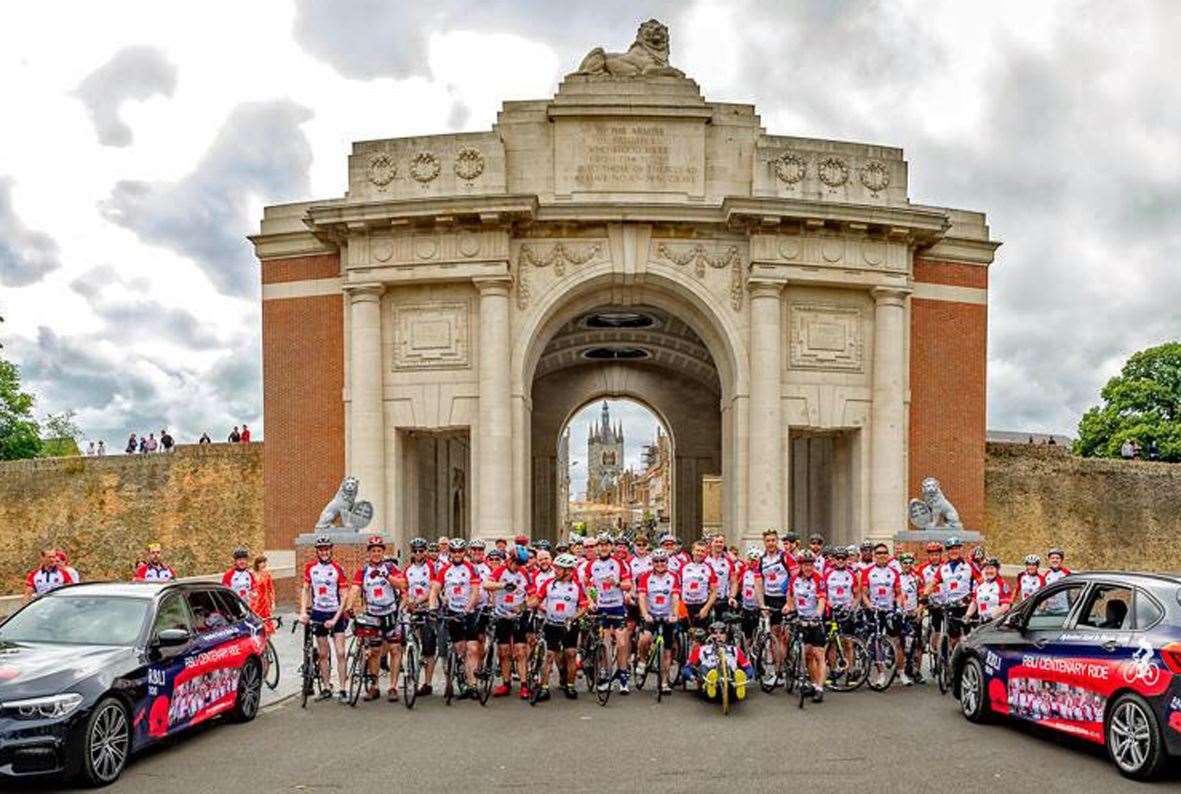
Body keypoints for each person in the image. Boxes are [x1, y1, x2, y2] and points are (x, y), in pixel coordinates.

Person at [349, 535, 406, 702]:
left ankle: (393, 686)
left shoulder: (390, 567)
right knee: (374, 651)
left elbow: (402, 584)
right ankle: (374, 687)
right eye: (373, 551)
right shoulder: (363, 571)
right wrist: (349, 606)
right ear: (369, 553)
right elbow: (354, 590)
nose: (376, 553)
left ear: (383, 552)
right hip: (373, 614)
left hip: (390, 613)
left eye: (379, 551)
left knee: (395, 649)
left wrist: (386, 575)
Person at [299, 535, 351, 702]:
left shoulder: (337, 568)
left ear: (331, 550)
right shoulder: (310, 568)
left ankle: (343, 689)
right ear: (317, 551)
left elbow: (344, 596)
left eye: (327, 549)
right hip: (319, 612)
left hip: (335, 612)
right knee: (322, 654)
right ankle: (327, 687)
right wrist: (303, 612)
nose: (324, 552)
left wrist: (335, 619)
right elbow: (305, 590)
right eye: (321, 549)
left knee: (341, 652)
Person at [529, 553, 588, 701]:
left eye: (558, 568)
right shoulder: (549, 583)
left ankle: (570, 685)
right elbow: (537, 599)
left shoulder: (577, 586)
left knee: (571, 654)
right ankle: (544, 688)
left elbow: (583, 606)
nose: (555, 570)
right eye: (555, 567)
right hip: (552, 624)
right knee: (549, 656)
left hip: (569, 626)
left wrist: (574, 617)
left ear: (568, 570)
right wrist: (523, 606)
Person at [429, 539, 482, 699]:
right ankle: (461, 675)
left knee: (472, 649)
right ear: (450, 553)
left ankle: (473, 685)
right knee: (460, 650)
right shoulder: (444, 570)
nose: (457, 554)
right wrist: (432, 607)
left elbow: (475, 591)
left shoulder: (471, 568)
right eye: (454, 551)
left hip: (469, 612)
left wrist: (468, 607)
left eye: (460, 551)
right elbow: (434, 590)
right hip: (452, 613)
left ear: (464, 553)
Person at [583, 535, 634, 694]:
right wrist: (590, 600)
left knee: (621, 643)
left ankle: (623, 674)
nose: (604, 548)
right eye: (601, 545)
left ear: (611, 547)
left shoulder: (619, 563)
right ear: (597, 547)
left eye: (607, 545)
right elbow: (587, 584)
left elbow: (628, 585)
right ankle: (605, 673)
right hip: (602, 607)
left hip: (617, 606)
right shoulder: (592, 564)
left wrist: (617, 583)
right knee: (604, 643)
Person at [484, 544, 533, 699]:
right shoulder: (500, 570)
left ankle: (524, 685)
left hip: (518, 616)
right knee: (503, 651)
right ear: (510, 559)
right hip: (502, 615)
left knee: (520, 651)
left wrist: (522, 607)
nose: (518, 567)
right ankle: (506, 683)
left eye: (521, 564)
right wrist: (503, 585)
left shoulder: (525, 573)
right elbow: (486, 584)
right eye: (517, 563)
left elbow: (533, 596)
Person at [861, 542, 908, 685]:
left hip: (889, 610)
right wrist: (869, 606)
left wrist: (898, 607)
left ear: (888, 555)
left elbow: (899, 594)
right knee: (876, 642)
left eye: (884, 553)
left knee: (898, 642)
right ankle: (881, 674)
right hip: (874, 610)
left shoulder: (894, 572)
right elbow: (863, 594)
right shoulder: (867, 572)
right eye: (879, 553)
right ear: (874, 556)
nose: (882, 555)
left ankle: (901, 672)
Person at [635, 550, 680, 696]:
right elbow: (642, 597)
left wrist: (674, 614)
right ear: (652, 563)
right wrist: (645, 614)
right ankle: (642, 660)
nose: (660, 564)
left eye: (663, 561)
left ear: (667, 562)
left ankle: (664, 682)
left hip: (667, 616)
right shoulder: (645, 577)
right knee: (645, 638)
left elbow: (675, 598)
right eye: (656, 561)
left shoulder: (673, 577)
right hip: (651, 615)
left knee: (667, 651)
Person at [924, 537, 977, 655]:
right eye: (951, 549)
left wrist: (975, 595)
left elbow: (981, 581)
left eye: (956, 548)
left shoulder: (969, 565)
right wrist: (924, 595)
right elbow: (932, 584)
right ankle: (952, 660)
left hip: (966, 606)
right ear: (947, 552)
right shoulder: (943, 568)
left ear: (961, 549)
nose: (954, 551)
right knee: (953, 638)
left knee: (968, 637)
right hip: (951, 607)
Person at [786, 551, 827, 701]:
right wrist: (788, 606)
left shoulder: (818, 578)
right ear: (800, 565)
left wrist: (817, 614)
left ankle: (820, 689)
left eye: (811, 564)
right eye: (805, 564)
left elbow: (822, 599)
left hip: (815, 621)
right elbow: (790, 595)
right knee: (808, 655)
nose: (808, 567)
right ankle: (814, 684)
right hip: (801, 620)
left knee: (819, 654)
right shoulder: (793, 579)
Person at [683, 621, 754, 703]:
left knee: (738, 672)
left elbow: (748, 667)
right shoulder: (702, 649)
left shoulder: (735, 649)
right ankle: (710, 684)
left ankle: (739, 683)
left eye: (722, 633)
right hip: (709, 677)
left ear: (726, 635)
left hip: (730, 680)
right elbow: (686, 668)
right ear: (711, 635)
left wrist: (746, 676)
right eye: (715, 633)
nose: (718, 636)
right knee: (703, 667)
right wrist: (693, 678)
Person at [402, 537, 439, 695]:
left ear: (425, 552)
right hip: (412, 609)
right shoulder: (408, 569)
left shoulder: (431, 567)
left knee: (429, 648)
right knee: (409, 638)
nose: (418, 553)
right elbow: (404, 588)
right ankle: (412, 662)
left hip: (426, 609)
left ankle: (428, 683)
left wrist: (418, 601)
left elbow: (432, 589)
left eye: (421, 551)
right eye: (415, 551)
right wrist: (407, 601)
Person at [757, 529, 791, 686]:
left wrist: (790, 602)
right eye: (768, 540)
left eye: (773, 540)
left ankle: (787, 668)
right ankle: (779, 672)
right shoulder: (761, 560)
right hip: (770, 599)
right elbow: (758, 584)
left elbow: (796, 578)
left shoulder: (785, 557)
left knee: (785, 637)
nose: (770, 543)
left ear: (777, 541)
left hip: (784, 599)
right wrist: (762, 604)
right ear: (764, 542)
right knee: (775, 638)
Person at [897, 553, 924, 683]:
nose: (907, 565)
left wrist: (919, 613)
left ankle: (917, 671)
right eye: (904, 562)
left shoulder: (917, 578)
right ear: (900, 564)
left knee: (918, 643)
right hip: (902, 614)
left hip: (914, 613)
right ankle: (902, 669)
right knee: (902, 643)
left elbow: (922, 597)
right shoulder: (897, 577)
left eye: (909, 562)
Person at [966, 557, 1012, 624]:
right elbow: (974, 603)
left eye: (992, 568)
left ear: (997, 569)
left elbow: (1005, 606)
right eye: (987, 568)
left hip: (998, 623)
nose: (989, 571)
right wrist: (967, 615)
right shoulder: (980, 586)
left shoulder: (1002, 585)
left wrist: (991, 618)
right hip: (983, 623)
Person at [705, 533, 739, 618]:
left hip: (723, 600)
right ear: (711, 543)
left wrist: (732, 597)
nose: (719, 544)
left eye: (721, 542)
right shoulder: (704, 560)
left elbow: (734, 582)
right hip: (706, 600)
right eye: (716, 541)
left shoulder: (728, 562)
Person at [737, 547, 765, 641]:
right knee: (747, 635)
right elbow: (739, 586)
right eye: (750, 560)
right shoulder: (744, 571)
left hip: (758, 609)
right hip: (746, 608)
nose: (752, 563)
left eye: (754, 560)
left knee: (758, 634)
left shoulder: (762, 573)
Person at [251, 554, 276, 634]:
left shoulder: (266, 574)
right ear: (258, 563)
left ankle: (267, 642)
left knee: (267, 624)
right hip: (254, 603)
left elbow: (271, 589)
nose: (264, 564)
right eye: (262, 562)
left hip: (265, 603)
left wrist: (273, 602)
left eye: (265, 562)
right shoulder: (251, 574)